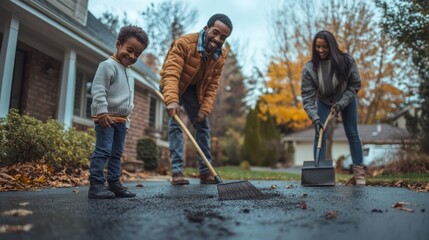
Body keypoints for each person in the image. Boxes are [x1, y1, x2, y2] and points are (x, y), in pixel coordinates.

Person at [160, 14, 233, 185]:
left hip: (194, 90)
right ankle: (177, 172)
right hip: (175, 84)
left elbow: (212, 85)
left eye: (223, 37)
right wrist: (171, 99)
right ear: (207, 28)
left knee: (203, 127)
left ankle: (206, 172)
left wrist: (204, 110)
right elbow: (171, 73)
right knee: (176, 126)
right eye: (215, 33)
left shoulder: (220, 56)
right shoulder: (184, 43)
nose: (217, 39)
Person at [88, 25, 149, 198]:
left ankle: (114, 183)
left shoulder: (130, 73)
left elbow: (128, 100)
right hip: (106, 118)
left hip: (122, 121)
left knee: (117, 153)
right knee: (103, 150)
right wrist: (101, 112)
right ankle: (96, 184)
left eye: (137, 54)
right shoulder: (107, 66)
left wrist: (127, 121)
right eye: (129, 50)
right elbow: (99, 90)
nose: (132, 56)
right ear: (118, 44)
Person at [301, 30, 365, 186]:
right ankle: (320, 172)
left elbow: (355, 85)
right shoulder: (310, 68)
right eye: (318, 47)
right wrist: (314, 117)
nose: (321, 50)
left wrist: (341, 103)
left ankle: (359, 173)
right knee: (320, 132)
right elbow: (308, 98)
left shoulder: (347, 61)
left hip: (346, 99)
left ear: (332, 46)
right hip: (323, 101)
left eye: (325, 47)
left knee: (352, 132)